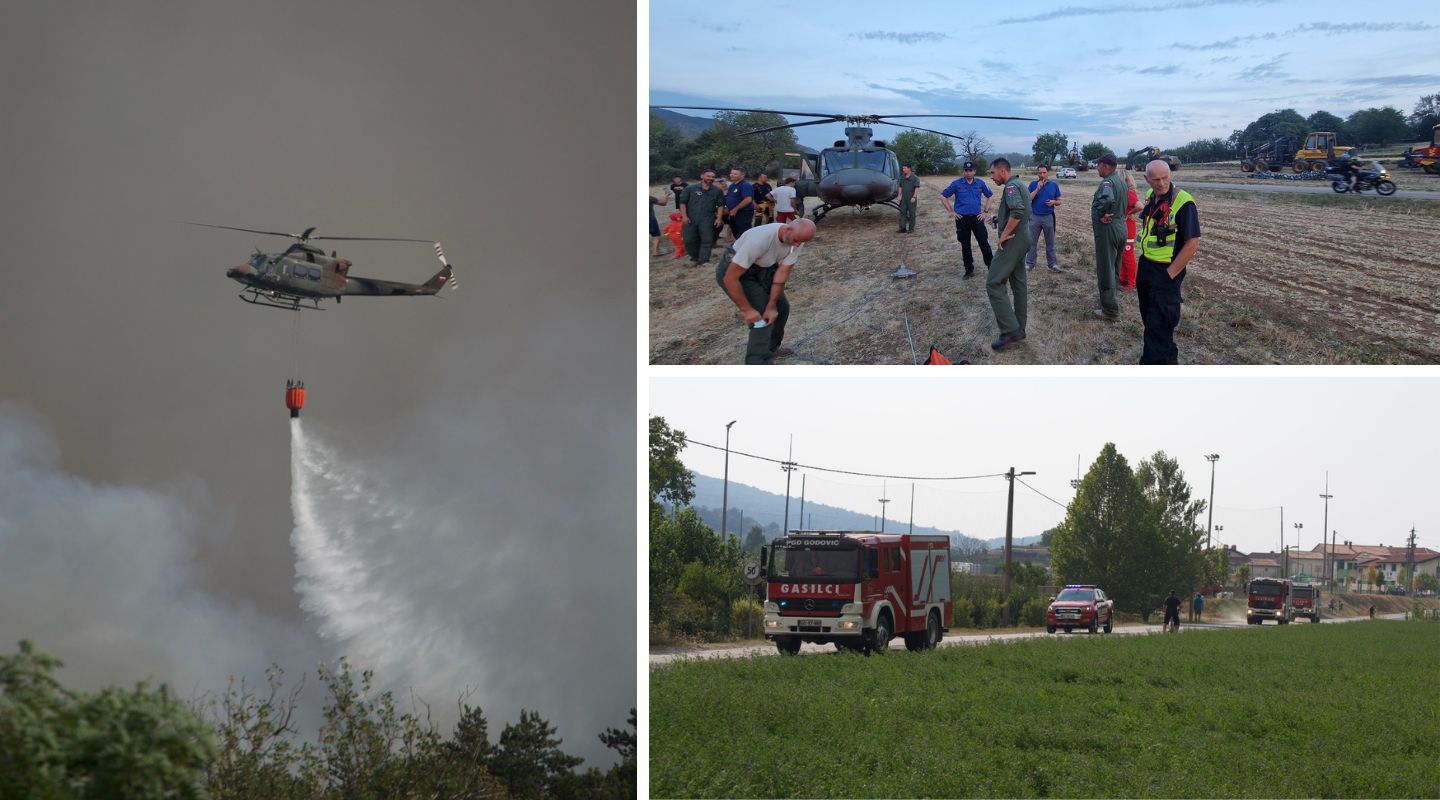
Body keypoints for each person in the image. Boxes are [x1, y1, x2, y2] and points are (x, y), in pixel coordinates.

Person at [714, 218, 816, 364]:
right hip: (737, 272)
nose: (797, 245)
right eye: (796, 240)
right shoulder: (759, 240)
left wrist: (772, 304)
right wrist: (747, 310)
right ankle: (757, 362)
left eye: (801, 242)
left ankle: (770, 349)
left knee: (781, 307)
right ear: (788, 229)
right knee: (762, 314)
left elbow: (783, 272)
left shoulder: (797, 238)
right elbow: (730, 278)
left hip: (763, 268)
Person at [1135, 159, 1201, 364]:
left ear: (1170, 175)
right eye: (1155, 180)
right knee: (1150, 320)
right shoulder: (1149, 196)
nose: (1161, 183)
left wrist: (1170, 274)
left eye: (1165, 178)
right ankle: (1169, 361)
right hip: (1146, 266)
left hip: (1166, 271)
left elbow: (1192, 242)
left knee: (1160, 323)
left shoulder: (1183, 202)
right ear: (1147, 179)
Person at [985, 158, 1032, 351]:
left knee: (994, 282)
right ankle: (1019, 329)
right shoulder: (1020, 184)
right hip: (1023, 238)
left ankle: (1009, 330)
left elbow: (1018, 211)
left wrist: (1003, 235)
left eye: (992, 173)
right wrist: (998, 219)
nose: (991, 176)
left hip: (1013, 240)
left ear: (1003, 171)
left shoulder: (1011, 187)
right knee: (1018, 282)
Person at [940, 161, 993, 278]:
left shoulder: (980, 183)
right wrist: (951, 211)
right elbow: (943, 196)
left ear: (974, 171)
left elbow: (990, 196)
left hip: (977, 218)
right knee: (965, 245)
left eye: (971, 170)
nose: (968, 173)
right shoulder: (957, 184)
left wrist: (985, 212)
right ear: (963, 171)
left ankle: (992, 268)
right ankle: (969, 270)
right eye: (966, 170)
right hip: (962, 219)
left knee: (984, 243)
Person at [1090, 153, 1128, 319]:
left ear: (1105, 166)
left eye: (1098, 165)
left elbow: (1107, 200)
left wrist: (1101, 213)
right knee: (1115, 266)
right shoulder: (1121, 181)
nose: (1097, 168)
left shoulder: (1107, 182)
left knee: (1106, 268)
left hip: (1108, 229)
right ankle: (1111, 299)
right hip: (1121, 227)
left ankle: (1110, 310)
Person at [679, 169, 725, 265]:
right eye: (708, 176)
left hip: (708, 218)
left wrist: (719, 218)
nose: (711, 178)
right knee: (689, 240)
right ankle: (695, 257)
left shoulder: (717, 191)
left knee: (707, 240)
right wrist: (684, 216)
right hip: (691, 218)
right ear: (702, 176)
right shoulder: (690, 188)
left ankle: (704, 260)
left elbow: (721, 205)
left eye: (713, 177)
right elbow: (682, 203)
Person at [1024, 165, 1062, 271]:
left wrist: (1053, 202)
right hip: (1034, 216)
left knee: (1050, 242)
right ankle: (1030, 264)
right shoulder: (1032, 184)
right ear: (1037, 173)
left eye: (1044, 172)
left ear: (1047, 173)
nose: (1042, 175)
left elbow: (1059, 201)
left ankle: (1052, 264)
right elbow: (1028, 199)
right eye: (1040, 173)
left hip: (1048, 217)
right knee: (1032, 242)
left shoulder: (1054, 185)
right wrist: (1037, 188)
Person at [1119, 171, 1140, 291]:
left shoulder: (1129, 193)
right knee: (1123, 256)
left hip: (1128, 230)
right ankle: (1123, 279)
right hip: (1123, 230)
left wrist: (1128, 213)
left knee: (1128, 257)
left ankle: (1132, 283)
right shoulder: (1123, 194)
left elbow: (1140, 206)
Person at [723, 168, 755, 240]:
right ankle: (738, 248)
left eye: (735, 174)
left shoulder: (745, 185)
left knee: (743, 233)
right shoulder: (732, 186)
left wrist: (735, 209)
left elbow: (748, 199)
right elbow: (730, 199)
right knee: (735, 231)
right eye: (731, 173)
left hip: (743, 213)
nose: (732, 175)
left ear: (742, 175)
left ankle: (746, 249)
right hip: (732, 213)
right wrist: (727, 209)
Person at [897, 163, 921, 233]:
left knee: (912, 214)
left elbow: (917, 188)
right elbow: (900, 187)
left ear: (909, 168)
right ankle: (902, 228)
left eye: (904, 168)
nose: (903, 169)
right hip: (903, 198)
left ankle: (911, 229)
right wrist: (899, 195)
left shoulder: (915, 178)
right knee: (902, 213)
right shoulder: (902, 177)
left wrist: (914, 197)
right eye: (903, 168)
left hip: (911, 197)